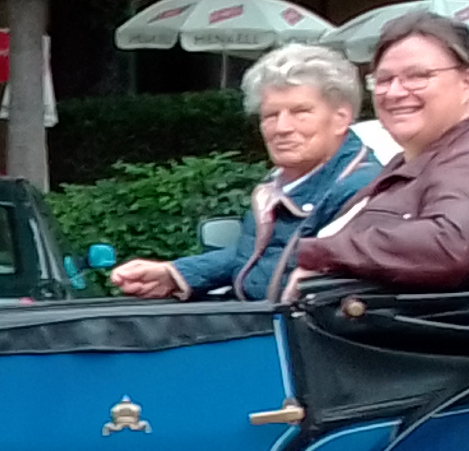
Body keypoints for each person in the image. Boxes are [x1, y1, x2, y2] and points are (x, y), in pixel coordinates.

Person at [108, 44, 376, 298]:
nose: (281, 128)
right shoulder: (280, 181)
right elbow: (261, 253)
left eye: (300, 112)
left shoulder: (360, 189)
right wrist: (177, 273)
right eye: (270, 115)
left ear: (341, 117)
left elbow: (292, 277)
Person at [288, 8, 469, 288]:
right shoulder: (412, 161)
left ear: (467, 83)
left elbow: (450, 242)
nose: (394, 92)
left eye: (417, 76)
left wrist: (323, 253)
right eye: (383, 80)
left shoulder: (468, 161)